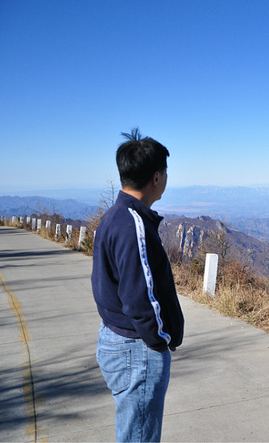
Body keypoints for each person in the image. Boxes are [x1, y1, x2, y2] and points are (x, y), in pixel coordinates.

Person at [92, 128, 184, 442]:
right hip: (136, 350)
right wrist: (160, 340)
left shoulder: (113, 217)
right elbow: (139, 297)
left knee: (133, 431)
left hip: (117, 340)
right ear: (157, 178)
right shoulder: (132, 223)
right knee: (140, 437)